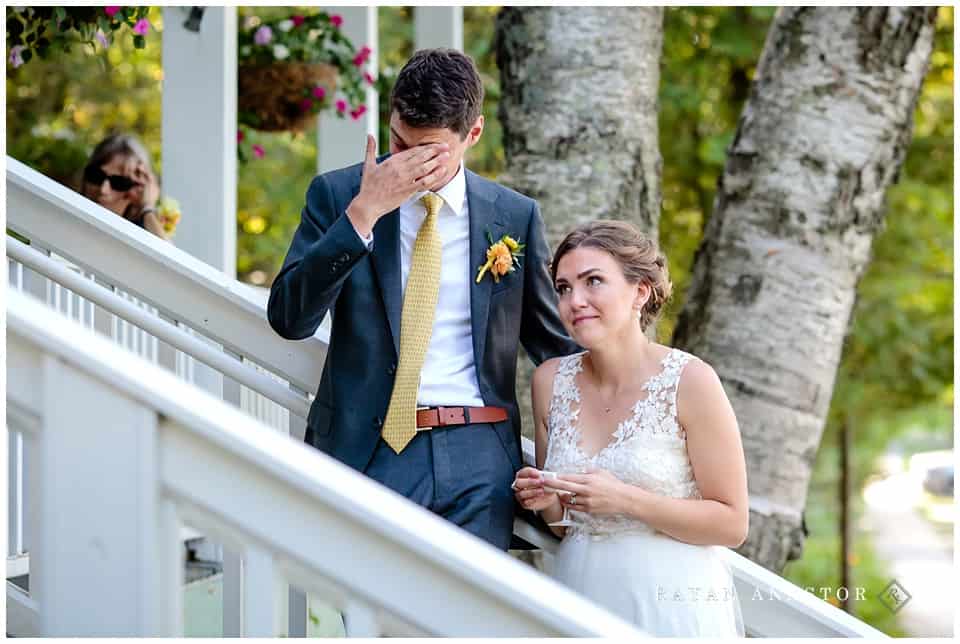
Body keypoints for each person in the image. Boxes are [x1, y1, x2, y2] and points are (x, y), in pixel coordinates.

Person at [267, 48, 578, 550]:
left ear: (471, 134)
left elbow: (554, 346)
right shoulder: (338, 194)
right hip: (370, 447)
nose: (407, 162)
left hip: (481, 452)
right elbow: (289, 318)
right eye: (398, 142)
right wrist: (362, 215)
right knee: (376, 619)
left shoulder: (513, 216)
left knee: (465, 620)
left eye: (428, 151)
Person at [512, 220, 747, 636]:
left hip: (669, 601)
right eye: (564, 288)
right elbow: (565, 526)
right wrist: (546, 501)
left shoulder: (690, 380)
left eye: (593, 281)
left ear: (640, 292)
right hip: (580, 592)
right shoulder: (550, 381)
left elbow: (731, 522)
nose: (574, 300)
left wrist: (624, 499)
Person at [80, 133, 168, 240]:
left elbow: (168, 255)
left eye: (118, 182)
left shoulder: (140, 237)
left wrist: (147, 208)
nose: (103, 190)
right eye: (96, 176)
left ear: (139, 190)